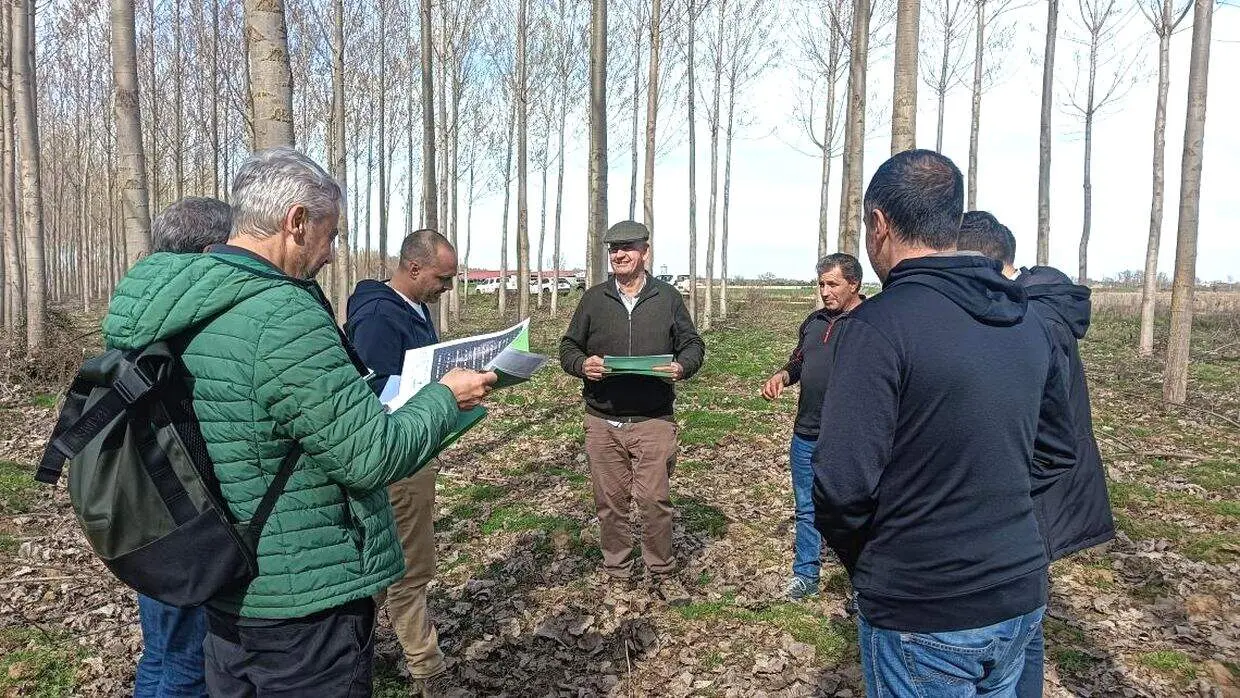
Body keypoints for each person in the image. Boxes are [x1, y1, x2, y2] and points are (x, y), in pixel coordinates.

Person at [101, 147, 496, 696]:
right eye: (330, 236)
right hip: (303, 595)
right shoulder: (282, 316)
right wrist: (447, 398)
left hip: (221, 574)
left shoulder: (177, 303)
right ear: (295, 222)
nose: (332, 254)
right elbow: (370, 455)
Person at [812, 150, 1076, 697]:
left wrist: (878, 562)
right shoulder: (1029, 320)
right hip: (1020, 590)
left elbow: (840, 486)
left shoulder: (878, 328)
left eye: (867, 226)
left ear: (879, 225)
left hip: (923, 608)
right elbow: (1055, 452)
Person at [958, 210, 1115, 697]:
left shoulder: (1031, 319)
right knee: (1023, 621)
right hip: (1038, 490)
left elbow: (1038, 426)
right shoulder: (1042, 307)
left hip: (1029, 495)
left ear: (984, 263)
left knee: (1014, 623)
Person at [559, 220, 705, 605]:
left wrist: (682, 367)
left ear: (645, 251)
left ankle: (660, 568)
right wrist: (581, 365)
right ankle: (616, 568)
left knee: (655, 501)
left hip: (653, 418)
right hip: (602, 420)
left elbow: (692, 345)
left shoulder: (667, 298)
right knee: (610, 503)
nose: (620, 255)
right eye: (613, 249)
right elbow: (568, 347)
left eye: (628, 248)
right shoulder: (593, 299)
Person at [345, 229, 457, 695]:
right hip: (396, 459)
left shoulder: (415, 309)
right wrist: (439, 393)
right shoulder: (376, 317)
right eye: (442, 278)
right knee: (410, 569)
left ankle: (353, 656)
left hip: (413, 450)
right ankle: (427, 671)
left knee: (387, 567)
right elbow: (367, 392)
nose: (446, 288)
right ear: (413, 269)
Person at [131, 196, 234, 698]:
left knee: (163, 652)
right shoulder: (192, 320)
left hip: (145, 507)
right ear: (213, 249)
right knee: (189, 664)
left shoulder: (138, 306)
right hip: (187, 514)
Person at [760, 253, 865, 602]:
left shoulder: (870, 322)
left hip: (849, 437)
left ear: (854, 284)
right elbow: (800, 360)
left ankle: (864, 584)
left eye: (832, 284)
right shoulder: (814, 322)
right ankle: (806, 574)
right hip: (806, 434)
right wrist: (783, 375)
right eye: (821, 284)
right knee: (806, 507)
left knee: (856, 509)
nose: (825, 291)